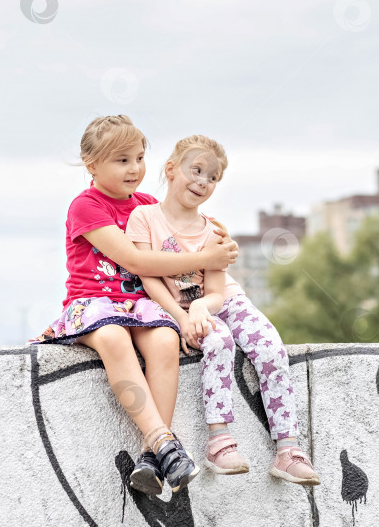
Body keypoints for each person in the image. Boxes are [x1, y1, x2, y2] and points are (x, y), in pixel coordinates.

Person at [30, 116, 239, 494]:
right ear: (92, 165)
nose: (135, 169)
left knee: (163, 341)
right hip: (94, 303)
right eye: (122, 160)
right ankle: (164, 440)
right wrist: (207, 258)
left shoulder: (148, 205)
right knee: (112, 338)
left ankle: (150, 456)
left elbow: (189, 235)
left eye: (140, 158)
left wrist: (220, 248)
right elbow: (137, 262)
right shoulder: (86, 206)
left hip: (139, 304)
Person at [125, 135, 321, 486]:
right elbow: (148, 276)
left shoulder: (213, 230)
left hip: (220, 301)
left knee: (270, 347)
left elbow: (216, 291)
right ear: (171, 169)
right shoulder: (144, 217)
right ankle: (219, 442)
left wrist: (200, 305)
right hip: (181, 308)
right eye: (196, 170)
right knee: (218, 342)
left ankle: (288, 450)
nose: (203, 181)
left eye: (212, 177)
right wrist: (182, 316)